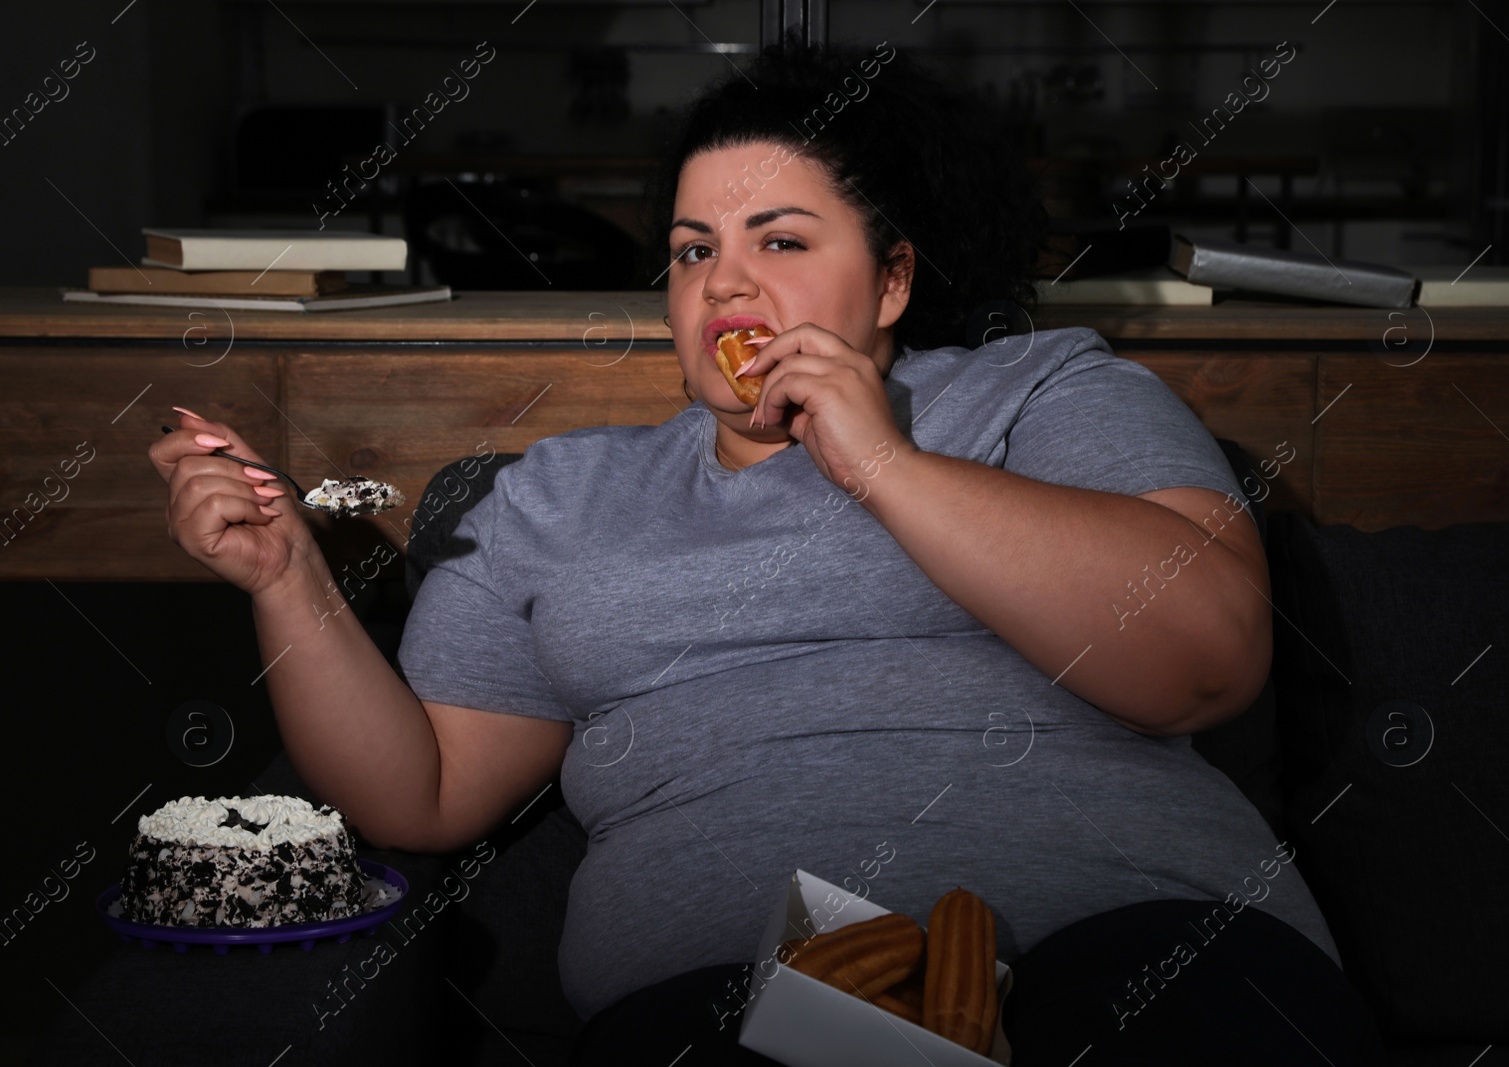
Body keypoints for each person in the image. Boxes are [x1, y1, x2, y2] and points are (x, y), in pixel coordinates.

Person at [150, 40, 1385, 1067]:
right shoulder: (555, 495)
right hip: (719, 997)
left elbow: (1206, 661)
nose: (725, 287)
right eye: (694, 251)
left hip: (1141, 950)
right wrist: (287, 577)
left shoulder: (1044, 390)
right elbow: (418, 794)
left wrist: (884, 465)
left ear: (892, 279)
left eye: (781, 243)